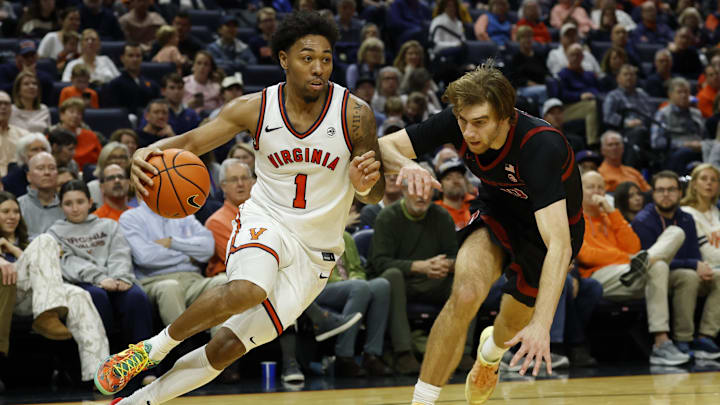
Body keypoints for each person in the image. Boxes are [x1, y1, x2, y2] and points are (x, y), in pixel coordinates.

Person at [95, 11, 384, 404]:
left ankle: (134, 403)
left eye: (326, 58)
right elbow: (194, 142)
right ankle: (152, 349)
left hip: (317, 253)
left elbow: (374, 193)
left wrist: (366, 185)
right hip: (268, 219)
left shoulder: (355, 114)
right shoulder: (254, 108)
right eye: (307, 57)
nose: (319, 68)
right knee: (249, 287)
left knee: (226, 349)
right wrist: (148, 151)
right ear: (284, 59)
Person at [378, 63, 583, 404]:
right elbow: (385, 145)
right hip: (498, 212)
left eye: (480, 122)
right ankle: (422, 401)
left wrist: (542, 325)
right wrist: (410, 164)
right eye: (463, 121)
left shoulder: (540, 145)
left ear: (505, 117)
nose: (469, 132)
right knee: (466, 293)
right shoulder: (460, 119)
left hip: (547, 235)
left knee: (508, 328)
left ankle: (489, 355)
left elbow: (558, 244)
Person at [49, 180, 156, 384]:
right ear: (61, 206)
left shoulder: (108, 225)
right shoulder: (54, 232)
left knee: (136, 297)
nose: (75, 208)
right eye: (68, 203)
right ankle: (106, 371)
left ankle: (144, 370)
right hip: (83, 282)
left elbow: (120, 253)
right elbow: (67, 262)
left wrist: (120, 278)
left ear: (90, 202)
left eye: (80, 201)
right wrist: (99, 278)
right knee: (96, 297)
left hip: (116, 279)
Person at [579, 170, 690, 365]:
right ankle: (661, 344)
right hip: (598, 276)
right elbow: (587, 256)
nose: (596, 191)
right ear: (579, 190)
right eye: (590, 187)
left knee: (675, 233)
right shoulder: (573, 219)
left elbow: (634, 247)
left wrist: (613, 213)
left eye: (600, 187)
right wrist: (628, 259)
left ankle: (661, 343)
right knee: (657, 265)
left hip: (628, 273)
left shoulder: (610, 217)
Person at [0, 190, 109, 384]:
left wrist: (15, 250)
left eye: (15, 211)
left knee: (79, 295)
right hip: (8, 297)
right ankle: (47, 314)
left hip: (35, 297)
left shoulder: (28, 241)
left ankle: (98, 374)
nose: (12, 216)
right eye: (5, 211)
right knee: (46, 239)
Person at [369, 180, 474, 375]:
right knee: (392, 276)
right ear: (404, 190)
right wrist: (419, 267)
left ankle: (462, 351)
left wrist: (447, 265)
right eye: (416, 190)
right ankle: (403, 353)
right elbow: (379, 263)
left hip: (434, 280)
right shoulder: (387, 217)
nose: (422, 196)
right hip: (402, 284)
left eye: (427, 191)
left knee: (467, 280)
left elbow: (454, 255)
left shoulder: (441, 216)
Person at [677, 164, 720, 358]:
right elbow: (706, 252)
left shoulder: (717, 212)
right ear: (693, 184)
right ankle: (705, 336)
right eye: (704, 179)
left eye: (714, 180)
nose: (709, 184)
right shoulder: (686, 213)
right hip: (699, 268)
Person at [102, 43, 161, 116]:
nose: (135, 59)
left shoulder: (152, 84)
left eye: (138, 56)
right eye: (131, 56)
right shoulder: (114, 85)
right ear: (122, 58)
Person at [17, 152, 65, 238]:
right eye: (40, 168)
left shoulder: (67, 205)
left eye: (52, 168)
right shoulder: (18, 206)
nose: (47, 172)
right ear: (29, 176)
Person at [2, 134, 50, 198]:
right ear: (23, 155)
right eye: (35, 149)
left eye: (44, 149)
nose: (41, 153)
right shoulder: (11, 180)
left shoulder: (54, 173)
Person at [434, 158, 474, 229]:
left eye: (459, 176)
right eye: (448, 178)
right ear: (440, 185)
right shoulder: (434, 213)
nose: (456, 181)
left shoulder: (476, 204)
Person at [0, 91, 29, 177]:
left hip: (17, 181)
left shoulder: (25, 135)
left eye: (7, 104)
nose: (3, 107)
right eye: (0, 103)